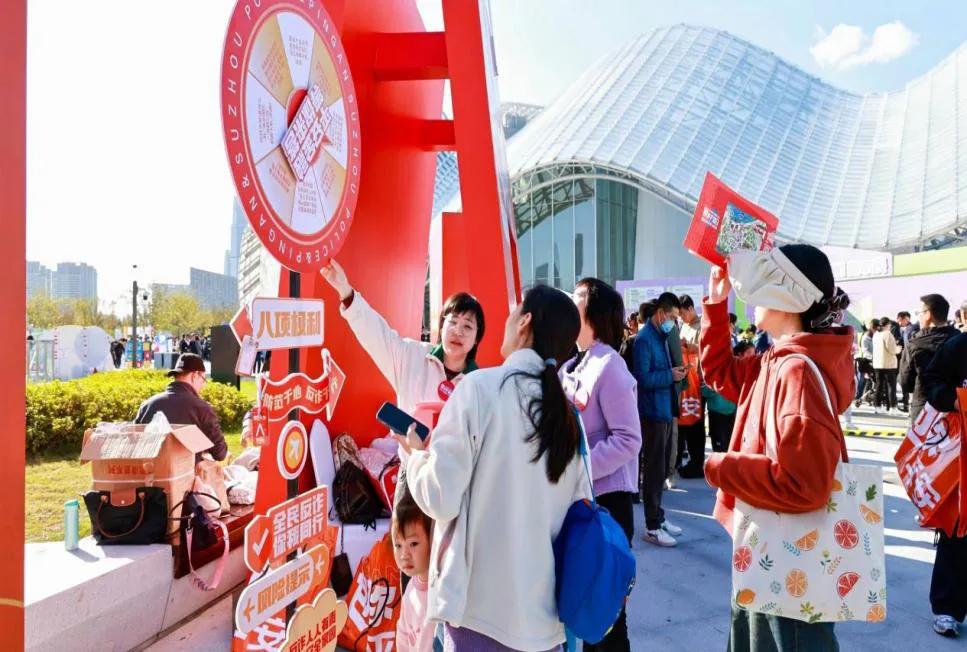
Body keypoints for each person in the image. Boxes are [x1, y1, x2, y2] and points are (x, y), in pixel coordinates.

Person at [396, 285, 591, 651]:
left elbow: (440, 497)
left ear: (525, 322)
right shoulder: (568, 418)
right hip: (544, 622)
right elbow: (577, 514)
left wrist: (417, 457)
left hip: (476, 617)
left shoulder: (478, 389)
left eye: (514, 311)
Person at [701, 244, 853, 651]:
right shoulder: (779, 359)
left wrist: (721, 468)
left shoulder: (795, 370)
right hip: (772, 548)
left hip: (786, 563)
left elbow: (804, 486)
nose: (751, 290)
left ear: (790, 296)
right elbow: (720, 372)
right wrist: (716, 304)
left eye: (766, 276)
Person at [321, 259, 484, 443]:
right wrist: (345, 292)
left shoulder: (480, 385)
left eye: (467, 326)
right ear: (441, 326)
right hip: (411, 461)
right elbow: (376, 334)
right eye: (452, 322)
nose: (458, 331)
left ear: (476, 338)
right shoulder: (412, 356)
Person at [561, 278, 640, 652]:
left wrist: (580, 467)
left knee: (606, 617)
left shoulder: (610, 366)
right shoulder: (570, 365)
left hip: (608, 506)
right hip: (577, 503)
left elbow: (629, 439)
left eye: (577, 296)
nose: (569, 300)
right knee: (581, 608)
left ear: (595, 312)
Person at [920, 330, 967, 638]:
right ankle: (947, 607)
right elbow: (932, 378)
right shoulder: (961, 345)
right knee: (958, 529)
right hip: (961, 452)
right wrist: (953, 399)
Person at [634, 292, 686, 547]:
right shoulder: (644, 339)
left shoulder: (660, 336)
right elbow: (642, 378)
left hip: (664, 410)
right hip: (652, 412)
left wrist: (674, 373)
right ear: (660, 313)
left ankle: (659, 517)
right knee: (654, 471)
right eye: (672, 317)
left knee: (662, 468)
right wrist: (670, 375)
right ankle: (652, 526)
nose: (673, 323)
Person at [134, 353, 227, 462]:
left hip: (149, 470)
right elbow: (220, 453)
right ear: (195, 376)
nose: (203, 385)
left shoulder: (147, 405)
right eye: (203, 379)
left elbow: (133, 443)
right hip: (185, 471)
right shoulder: (201, 408)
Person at [899, 294, 959, 423]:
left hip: (923, 412)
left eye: (919, 313)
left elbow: (906, 382)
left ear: (928, 315)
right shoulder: (959, 340)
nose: (918, 317)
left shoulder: (914, 344)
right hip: (955, 410)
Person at [393, 485, 434, 652]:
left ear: (433, 540)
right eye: (398, 545)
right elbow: (403, 634)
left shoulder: (441, 591)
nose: (404, 555)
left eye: (413, 544)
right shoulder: (410, 588)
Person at [677, 294, 707, 478]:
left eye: (682, 313)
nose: (681, 317)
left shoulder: (702, 325)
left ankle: (697, 463)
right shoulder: (684, 326)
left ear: (690, 308)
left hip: (699, 382)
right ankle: (687, 460)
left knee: (696, 424)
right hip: (687, 383)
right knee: (685, 423)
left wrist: (688, 345)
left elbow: (705, 348)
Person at [872, 316, 899, 414]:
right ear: (887, 325)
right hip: (888, 364)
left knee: (879, 386)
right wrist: (898, 349)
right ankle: (892, 407)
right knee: (891, 386)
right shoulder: (888, 334)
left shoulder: (876, 334)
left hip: (877, 364)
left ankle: (877, 407)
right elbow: (892, 350)